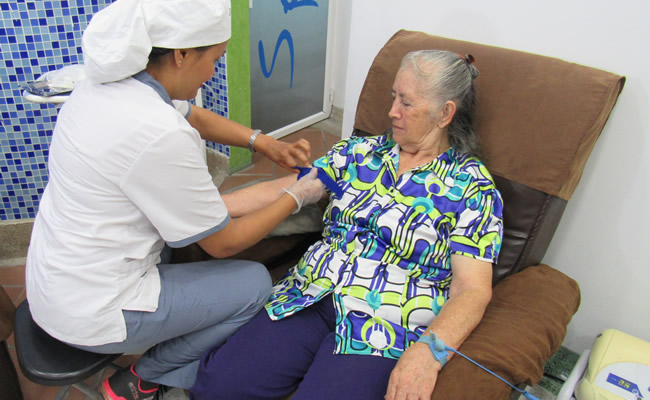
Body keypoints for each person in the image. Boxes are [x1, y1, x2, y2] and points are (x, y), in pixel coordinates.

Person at [24, 0, 324, 399]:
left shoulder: (103, 87)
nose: (214, 71)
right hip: (92, 312)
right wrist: (295, 195)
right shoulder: (158, 133)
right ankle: (144, 377)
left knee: (204, 217)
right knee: (253, 285)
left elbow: (193, 116)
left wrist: (264, 144)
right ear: (181, 55)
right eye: (214, 59)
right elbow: (223, 243)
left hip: (52, 281)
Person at [190, 49, 505, 400]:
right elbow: (286, 190)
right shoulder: (360, 152)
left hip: (384, 324)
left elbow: (472, 289)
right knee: (217, 385)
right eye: (393, 97)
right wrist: (201, 211)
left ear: (445, 113)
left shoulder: (473, 188)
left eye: (406, 102)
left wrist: (429, 353)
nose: (392, 111)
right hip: (310, 294)